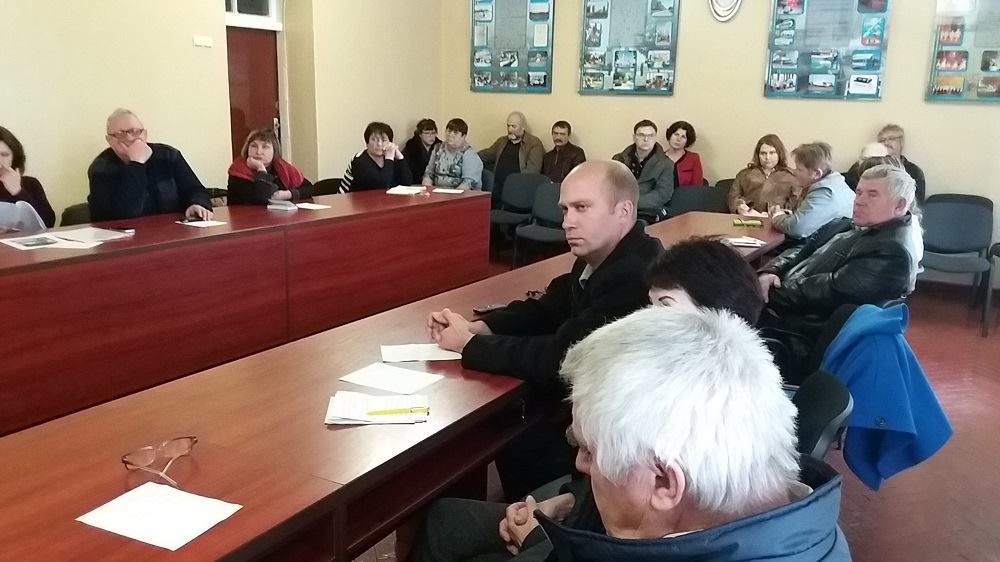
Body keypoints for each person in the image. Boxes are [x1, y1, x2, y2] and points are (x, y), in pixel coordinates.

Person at [407, 238, 765, 562]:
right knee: (449, 518)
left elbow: (629, 537)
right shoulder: (716, 387)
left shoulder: (689, 419)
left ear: (720, 320)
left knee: (449, 522)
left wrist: (539, 538)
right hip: (588, 514)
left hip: (588, 542)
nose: (646, 320)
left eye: (664, 308)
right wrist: (567, 501)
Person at [410, 307, 850, 561]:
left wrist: (544, 546)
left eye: (589, 450)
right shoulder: (789, 519)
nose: (579, 463)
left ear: (662, 481)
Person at [426, 161, 663, 500]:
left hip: (610, 442)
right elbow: (549, 308)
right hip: (582, 411)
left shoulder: (635, 276)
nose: (567, 222)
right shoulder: (602, 256)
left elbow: (561, 358)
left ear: (623, 211)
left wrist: (469, 344)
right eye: (565, 209)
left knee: (508, 429)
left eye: (582, 208)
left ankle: (530, 517)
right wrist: (483, 326)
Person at [759, 164, 922, 322]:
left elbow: (828, 291)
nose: (859, 201)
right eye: (859, 193)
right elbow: (803, 247)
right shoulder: (852, 224)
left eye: (872, 195)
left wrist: (763, 290)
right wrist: (771, 271)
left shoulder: (892, 251)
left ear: (899, 205)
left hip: (795, 323)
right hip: (784, 298)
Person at [88, 108, 213, 222]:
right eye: (120, 134)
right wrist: (136, 163)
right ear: (109, 140)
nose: (130, 138)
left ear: (145, 134)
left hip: (174, 231)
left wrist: (197, 203)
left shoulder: (168, 155)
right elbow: (124, 214)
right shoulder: (101, 167)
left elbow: (196, 190)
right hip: (127, 236)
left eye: (135, 131)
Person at [769, 142, 853, 240]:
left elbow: (797, 229)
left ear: (817, 174)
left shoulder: (825, 192)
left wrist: (777, 216)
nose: (795, 172)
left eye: (799, 169)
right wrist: (787, 215)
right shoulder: (835, 183)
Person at [227, 127, 313, 204]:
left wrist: (288, 194)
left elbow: (310, 189)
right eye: (254, 146)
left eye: (265, 147)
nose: (258, 152)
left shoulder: (282, 168)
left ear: (274, 150)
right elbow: (262, 198)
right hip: (245, 216)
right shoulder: (238, 170)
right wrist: (261, 168)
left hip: (276, 215)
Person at [612, 120, 674, 222]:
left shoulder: (666, 164)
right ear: (634, 137)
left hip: (645, 210)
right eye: (641, 135)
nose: (646, 139)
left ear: (655, 138)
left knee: (638, 225)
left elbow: (662, 194)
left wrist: (632, 204)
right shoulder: (619, 159)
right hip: (617, 207)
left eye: (650, 136)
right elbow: (611, 186)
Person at [727, 134, 799, 214]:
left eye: (772, 153)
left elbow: (797, 203)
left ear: (779, 153)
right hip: (749, 218)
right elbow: (733, 197)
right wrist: (739, 208)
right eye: (763, 153)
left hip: (779, 219)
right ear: (758, 155)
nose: (767, 157)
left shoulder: (791, 176)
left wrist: (783, 212)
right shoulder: (744, 174)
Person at [0, 126, 55, 227]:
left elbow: (48, 223)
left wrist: (18, 192)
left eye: (4, 155)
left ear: (14, 158)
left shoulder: (31, 184)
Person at [478, 111, 545, 191]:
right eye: (508, 126)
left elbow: (532, 172)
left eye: (513, 126)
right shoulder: (502, 141)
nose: (509, 130)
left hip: (518, 189)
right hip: (496, 187)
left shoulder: (533, 143)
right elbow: (486, 155)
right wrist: (468, 155)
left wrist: (514, 183)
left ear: (523, 127)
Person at [338, 122, 412, 193]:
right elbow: (381, 186)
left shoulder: (390, 157)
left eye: (384, 140)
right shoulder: (359, 160)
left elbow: (407, 182)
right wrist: (389, 159)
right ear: (367, 143)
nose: (379, 144)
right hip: (350, 200)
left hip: (383, 200)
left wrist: (400, 158)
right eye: (374, 139)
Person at [422, 118, 483, 190]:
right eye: (449, 131)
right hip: (438, 192)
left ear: (463, 136)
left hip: (462, 194)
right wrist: (428, 191)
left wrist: (452, 195)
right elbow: (429, 173)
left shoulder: (469, 154)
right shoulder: (438, 148)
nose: (451, 135)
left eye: (455, 132)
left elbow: (468, 183)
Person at [877, 124, 926, 204]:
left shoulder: (914, 171)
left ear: (901, 142)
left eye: (891, 138)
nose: (886, 142)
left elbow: (917, 204)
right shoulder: (867, 167)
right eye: (882, 140)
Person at [663, 120, 704, 187]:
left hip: (687, 193)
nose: (678, 139)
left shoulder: (693, 158)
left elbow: (697, 187)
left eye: (683, 137)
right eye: (676, 134)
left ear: (687, 142)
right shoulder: (659, 158)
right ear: (670, 136)